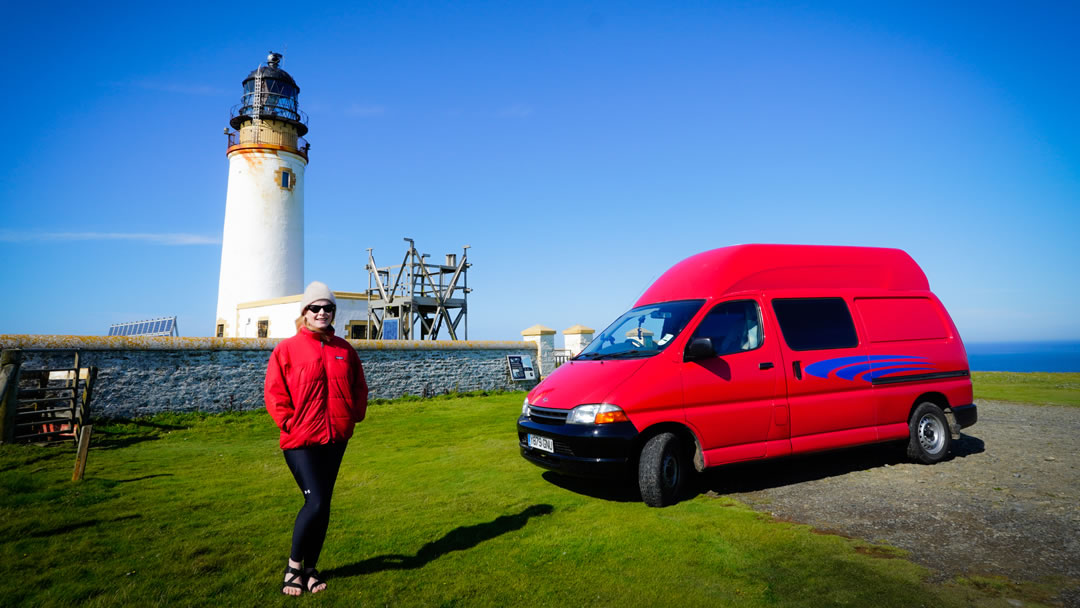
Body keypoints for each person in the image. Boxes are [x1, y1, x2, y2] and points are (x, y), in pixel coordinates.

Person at [264, 281, 368, 596]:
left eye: (328, 307)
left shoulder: (344, 349)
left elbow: (358, 386)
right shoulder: (287, 349)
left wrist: (353, 415)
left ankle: (311, 569)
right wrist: (288, 421)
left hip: (335, 437)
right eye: (315, 307)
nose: (322, 312)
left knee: (324, 506)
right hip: (300, 440)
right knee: (316, 500)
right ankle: (293, 567)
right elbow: (274, 391)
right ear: (305, 312)